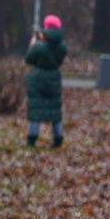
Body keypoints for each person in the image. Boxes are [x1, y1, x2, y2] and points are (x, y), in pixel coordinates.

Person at [25, 15, 67, 148]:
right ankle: (58, 139)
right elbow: (59, 61)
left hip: (38, 78)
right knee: (55, 110)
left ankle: (32, 138)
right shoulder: (62, 45)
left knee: (36, 109)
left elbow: (29, 59)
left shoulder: (39, 45)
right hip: (54, 77)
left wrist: (32, 44)